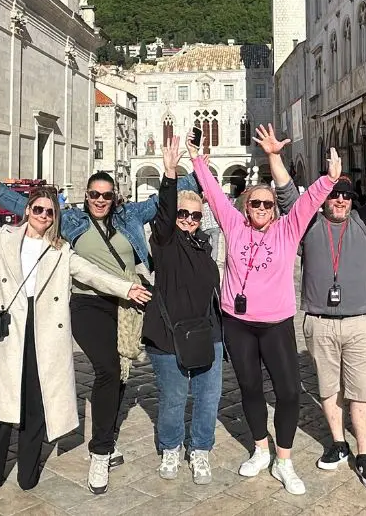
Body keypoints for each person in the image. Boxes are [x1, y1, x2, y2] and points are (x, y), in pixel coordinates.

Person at [0, 165, 200, 494]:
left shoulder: (130, 215)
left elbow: (167, 198)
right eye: (94, 194)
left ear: (115, 197)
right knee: (107, 368)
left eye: (107, 195)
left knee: (120, 372)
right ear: (86, 196)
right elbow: (35, 208)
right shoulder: (74, 220)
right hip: (86, 302)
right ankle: (100, 451)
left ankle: (106, 434)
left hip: (127, 303)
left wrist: (192, 171)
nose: (100, 200)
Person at [0, 180, 150, 508]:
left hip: (44, 332)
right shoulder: (2, 238)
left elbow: (91, 274)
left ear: (54, 217)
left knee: (36, 399)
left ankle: (28, 466)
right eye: (37, 209)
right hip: (8, 332)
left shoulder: (60, 250)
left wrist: (126, 289)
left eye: (49, 211)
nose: (43, 215)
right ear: (27, 211)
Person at [190, 132, 341, 496]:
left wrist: (329, 180)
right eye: (255, 204)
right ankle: (260, 448)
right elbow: (211, 192)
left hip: (275, 325)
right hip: (238, 324)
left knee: (289, 392)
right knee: (250, 388)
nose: (260, 209)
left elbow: (306, 205)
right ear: (245, 207)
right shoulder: (233, 224)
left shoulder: (288, 231)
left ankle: (284, 460)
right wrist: (197, 160)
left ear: (275, 209)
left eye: (267, 205)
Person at [258, 124, 366, 490]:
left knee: (362, 391)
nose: (340, 200)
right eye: (334, 195)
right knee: (328, 388)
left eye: (345, 195)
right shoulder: (308, 222)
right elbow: (285, 193)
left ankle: (364, 453)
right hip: (319, 320)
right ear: (325, 198)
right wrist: (273, 156)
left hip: (360, 320)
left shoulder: (364, 223)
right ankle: (339, 444)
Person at [143, 137, 224, 485]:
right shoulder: (164, 242)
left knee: (208, 397)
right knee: (174, 399)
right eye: (182, 214)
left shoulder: (206, 244)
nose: (189, 219)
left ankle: (201, 449)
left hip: (209, 332)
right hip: (168, 334)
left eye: (194, 214)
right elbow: (162, 215)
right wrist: (171, 173)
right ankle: (172, 446)